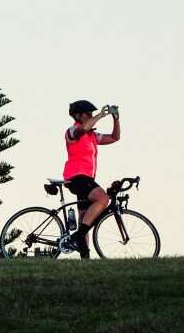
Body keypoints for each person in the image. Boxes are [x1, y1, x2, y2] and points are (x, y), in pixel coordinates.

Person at [62, 99, 120, 257]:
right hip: (76, 177)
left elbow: (115, 138)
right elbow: (81, 131)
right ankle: (79, 235)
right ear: (78, 116)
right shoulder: (72, 132)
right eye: (89, 114)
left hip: (86, 178)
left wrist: (116, 118)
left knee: (84, 217)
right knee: (103, 198)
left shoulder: (92, 135)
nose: (91, 115)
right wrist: (101, 115)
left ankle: (85, 257)